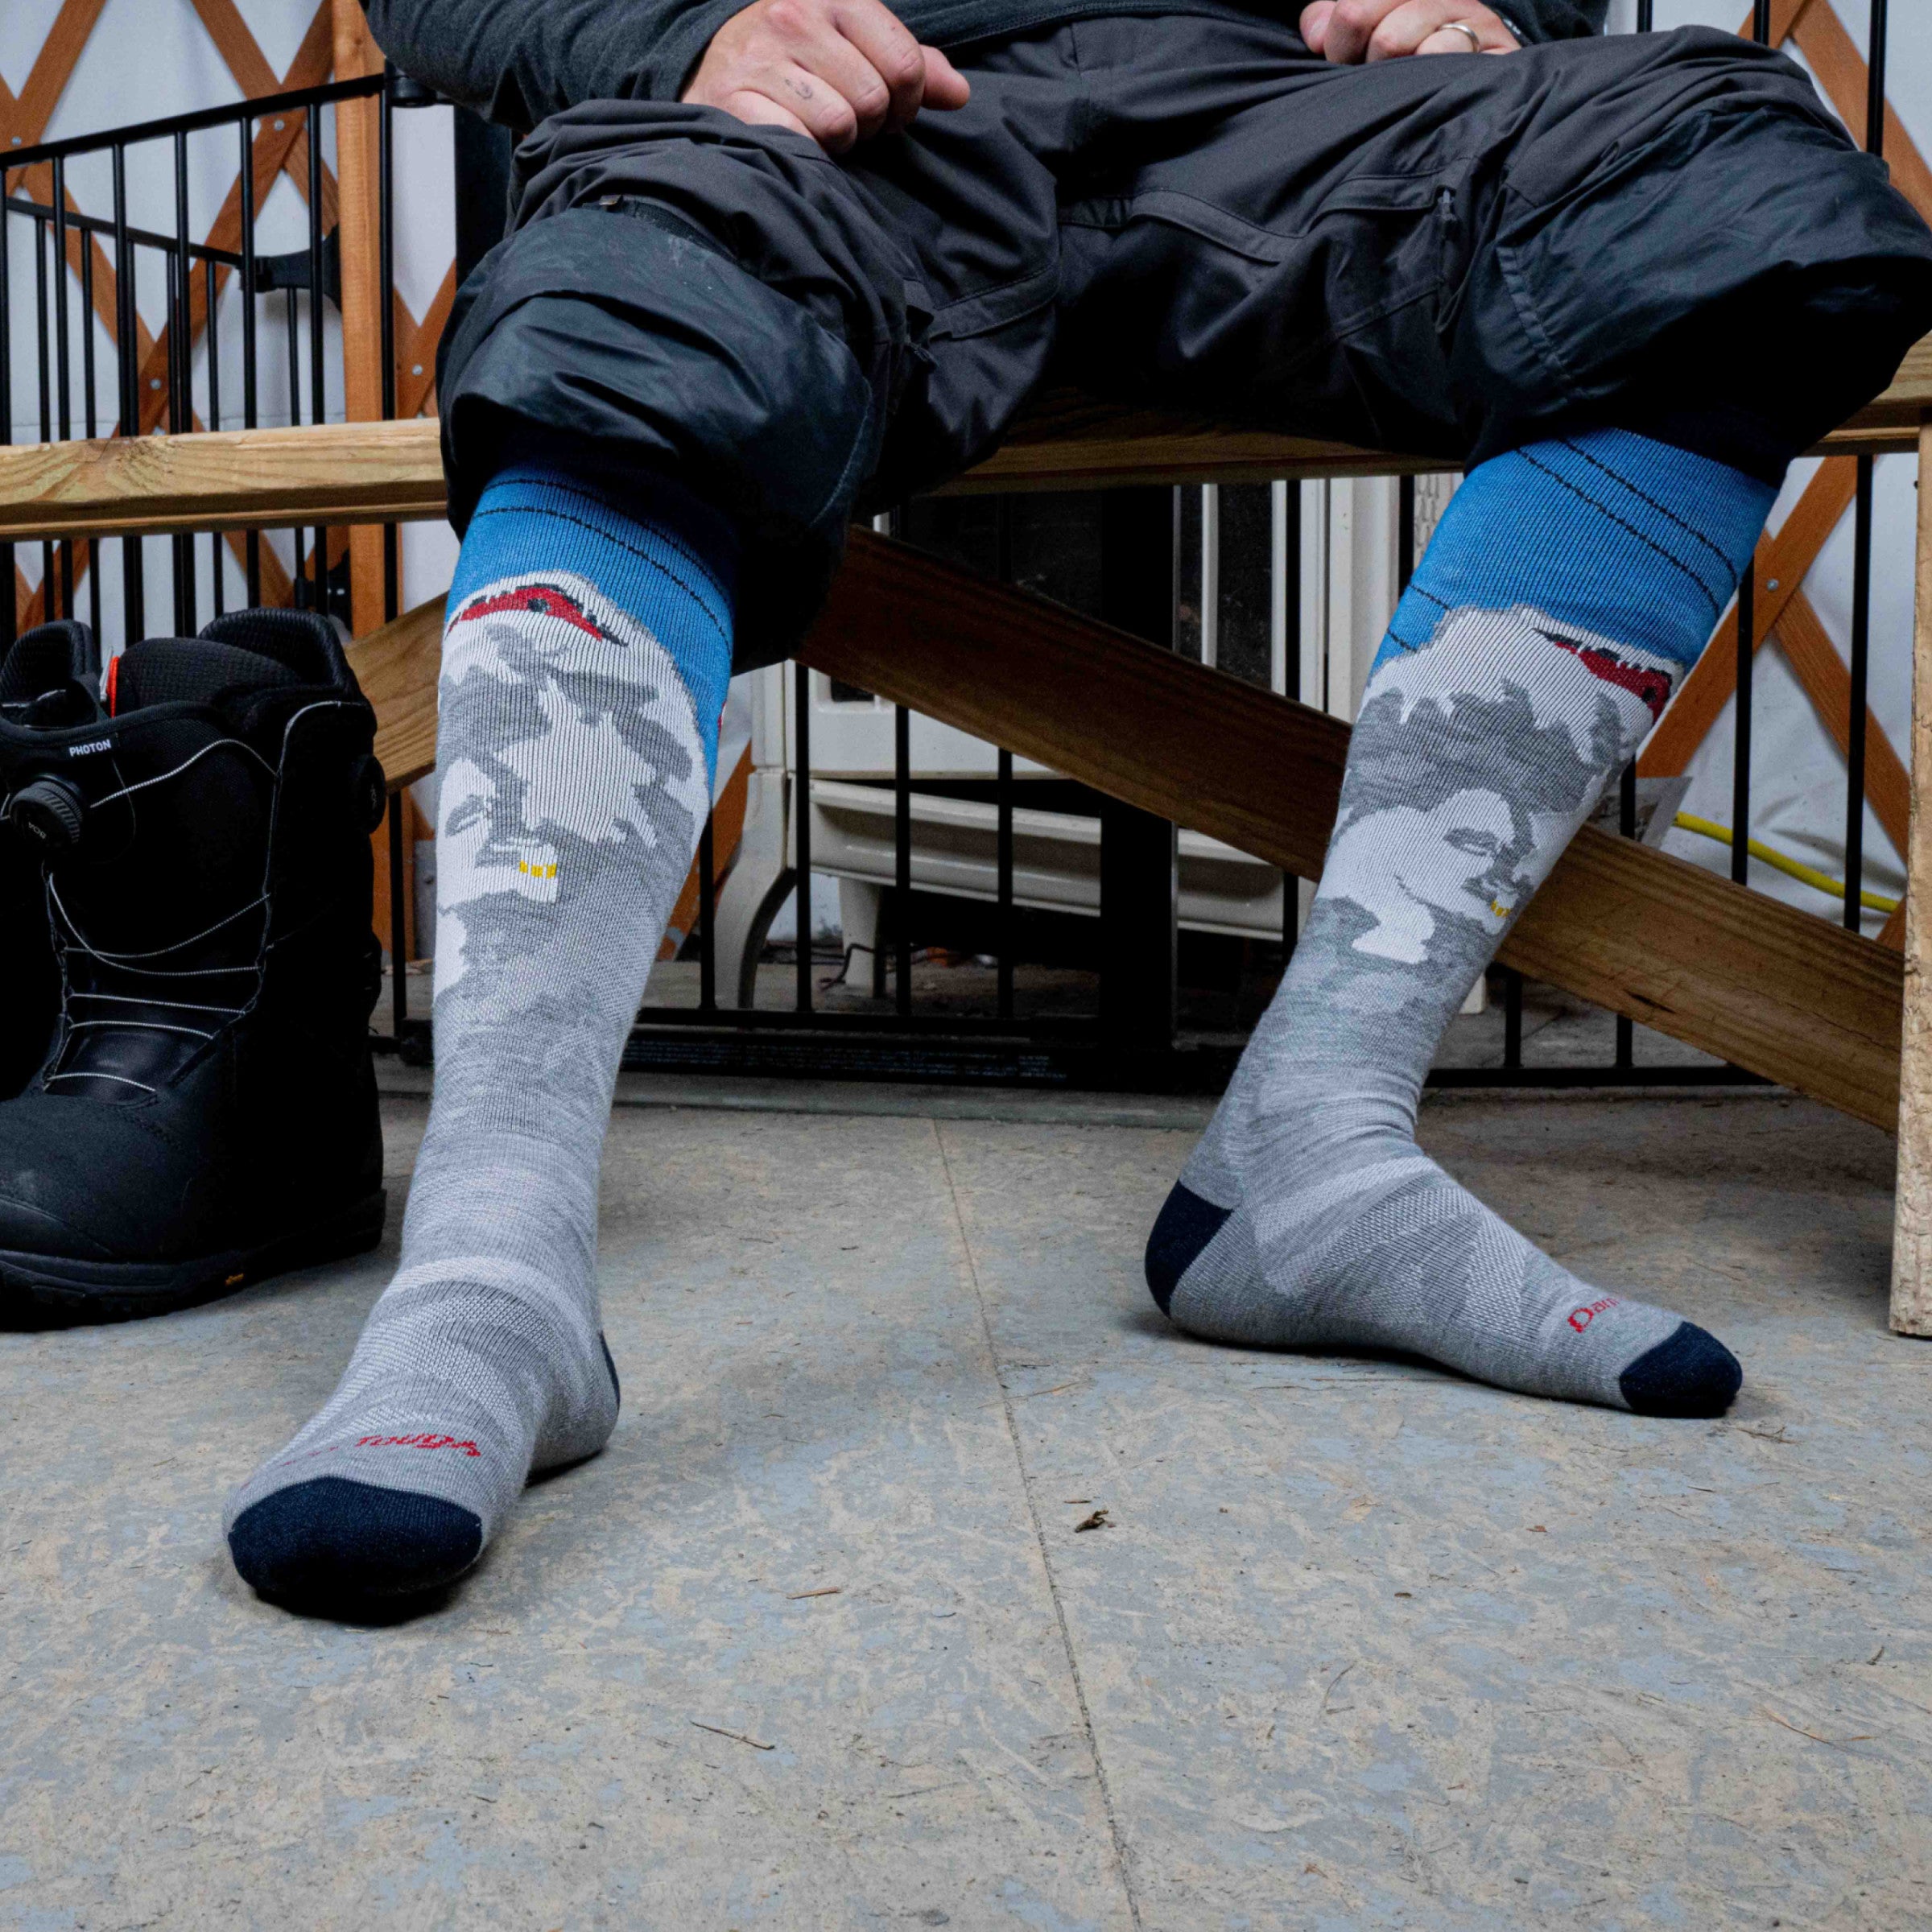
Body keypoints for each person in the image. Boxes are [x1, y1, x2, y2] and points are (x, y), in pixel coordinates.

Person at [221, 0, 1932, 1608]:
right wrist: (692, 31)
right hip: (856, 101)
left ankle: (1313, 1146)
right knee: (640, 269)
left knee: (1730, 185)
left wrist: (1496, 6)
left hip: (1287, 97)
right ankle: (493, 1263)